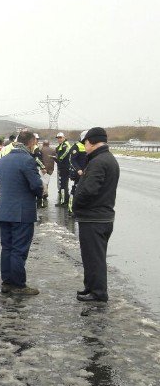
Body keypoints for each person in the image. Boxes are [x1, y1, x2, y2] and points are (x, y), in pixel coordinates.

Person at [72, 127, 119, 302]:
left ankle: (98, 293)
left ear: (91, 141)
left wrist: (76, 204)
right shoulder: (105, 158)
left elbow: (89, 190)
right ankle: (90, 287)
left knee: (95, 257)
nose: (84, 146)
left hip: (95, 218)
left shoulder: (99, 161)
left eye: (85, 143)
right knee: (91, 256)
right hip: (99, 216)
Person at [0, 130, 44, 295]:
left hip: (4, 211)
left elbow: (0, 183)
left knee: (7, 248)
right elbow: (36, 186)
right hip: (22, 212)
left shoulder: (3, 161)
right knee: (19, 249)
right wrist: (41, 191)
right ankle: (18, 285)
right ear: (30, 143)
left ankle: (7, 283)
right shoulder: (27, 160)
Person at [68, 131, 88, 214]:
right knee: (75, 190)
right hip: (79, 173)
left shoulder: (89, 147)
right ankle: (71, 209)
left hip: (87, 173)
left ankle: (83, 209)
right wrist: (78, 169)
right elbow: (72, 160)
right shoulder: (76, 146)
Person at [54, 132, 71, 206]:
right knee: (63, 184)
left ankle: (63, 202)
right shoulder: (62, 145)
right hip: (63, 167)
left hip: (65, 167)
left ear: (64, 137)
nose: (59, 139)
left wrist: (59, 159)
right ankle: (64, 200)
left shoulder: (65, 144)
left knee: (63, 185)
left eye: (60, 138)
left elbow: (66, 152)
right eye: (58, 138)